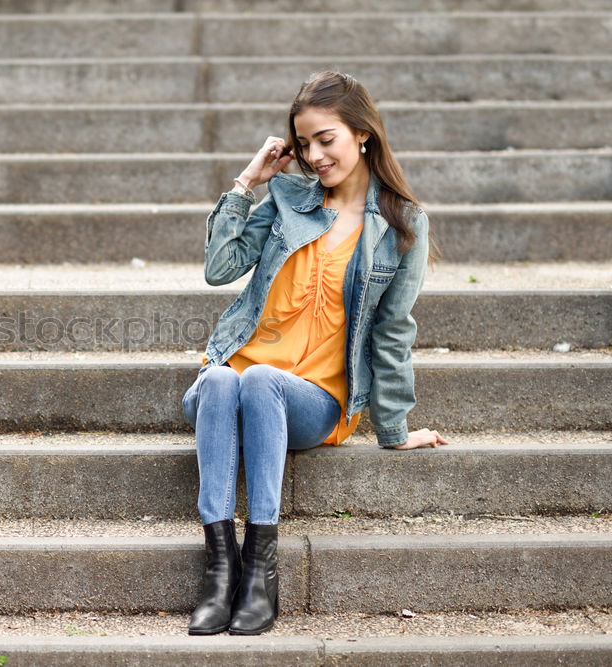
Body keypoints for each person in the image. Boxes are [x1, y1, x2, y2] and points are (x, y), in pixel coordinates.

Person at [181, 71, 448, 636]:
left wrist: (394, 428)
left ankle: (260, 569)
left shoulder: (401, 224)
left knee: (259, 382)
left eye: (326, 139)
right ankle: (220, 568)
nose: (314, 155)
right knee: (230, 379)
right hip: (231, 381)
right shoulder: (286, 199)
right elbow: (219, 269)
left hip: (315, 397)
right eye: (304, 144)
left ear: (363, 134)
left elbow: (394, 330)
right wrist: (247, 183)